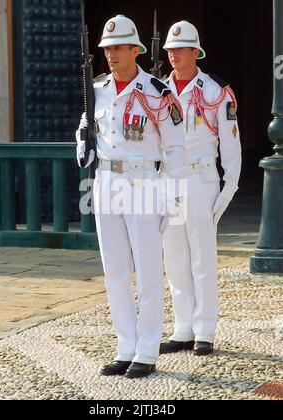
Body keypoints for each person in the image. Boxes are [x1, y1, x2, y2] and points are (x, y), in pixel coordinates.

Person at [76, 15, 185, 378]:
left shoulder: (157, 92)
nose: (111, 54)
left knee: (149, 270)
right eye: (107, 48)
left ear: (135, 50)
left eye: (118, 47)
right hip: (107, 182)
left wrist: (172, 197)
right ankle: (125, 345)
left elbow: (176, 150)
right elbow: (84, 125)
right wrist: (84, 148)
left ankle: (147, 349)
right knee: (115, 271)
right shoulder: (98, 89)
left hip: (144, 185)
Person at [160, 21, 242, 356]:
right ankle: (183, 327)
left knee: (202, 259)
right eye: (170, 51)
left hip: (201, 180)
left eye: (181, 50)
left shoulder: (215, 91)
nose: (174, 56)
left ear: (196, 52)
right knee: (175, 258)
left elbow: (231, 145)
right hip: (169, 181)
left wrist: (229, 187)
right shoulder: (157, 91)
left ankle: (205, 328)